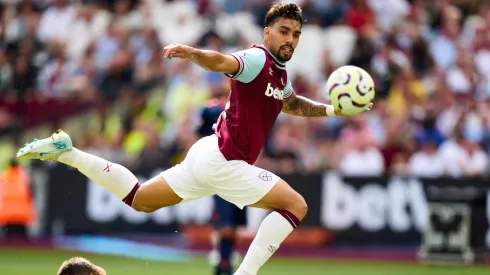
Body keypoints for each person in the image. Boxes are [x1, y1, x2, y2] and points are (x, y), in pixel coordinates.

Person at [17, 3, 373, 275]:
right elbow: (223, 62)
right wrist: (193, 53)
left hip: (209, 154)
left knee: (140, 200)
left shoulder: (279, 75)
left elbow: (292, 103)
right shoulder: (256, 58)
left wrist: (332, 111)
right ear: (267, 33)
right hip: (224, 161)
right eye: (284, 31)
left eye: (296, 34)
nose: (290, 40)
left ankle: (68, 153)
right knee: (296, 206)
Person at [197, 92, 247, 275]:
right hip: (223, 174)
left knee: (231, 225)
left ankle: (224, 263)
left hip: (238, 173)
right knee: (225, 224)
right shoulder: (216, 111)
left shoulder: (240, 112)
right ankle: (223, 264)